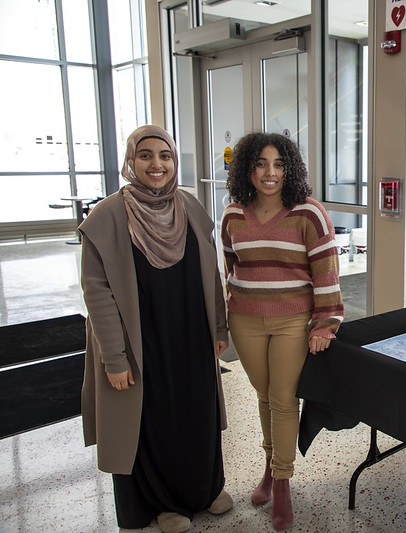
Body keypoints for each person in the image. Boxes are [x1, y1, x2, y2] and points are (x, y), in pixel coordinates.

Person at [80, 125, 232, 533]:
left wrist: (219, 326)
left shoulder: (188, 206)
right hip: (140, 341)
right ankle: (164, 503)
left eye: (164, 155)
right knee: (153, 419)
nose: (156, 164)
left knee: (197, 413)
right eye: (145, 155)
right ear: (131, 160)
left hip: (191, 335)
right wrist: (114, 357)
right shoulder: (108, 216)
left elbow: (212, 274)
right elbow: (97, 294)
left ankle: (205, 489)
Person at [222, 132, 344, 531]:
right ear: (247, 170)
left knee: (283, 397)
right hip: (245, 319)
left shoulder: (308, 213)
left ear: (289, 168)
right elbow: (230, 268)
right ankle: (269, 469)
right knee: (263, 395)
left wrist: (325, 323)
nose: (269, 173)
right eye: (260, 164)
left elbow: (326, 271)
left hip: (293, 319)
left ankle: (283, 481)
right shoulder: (233, 215)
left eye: (278, 164)